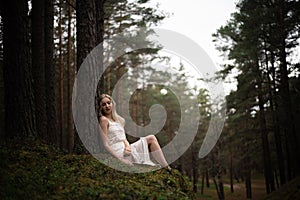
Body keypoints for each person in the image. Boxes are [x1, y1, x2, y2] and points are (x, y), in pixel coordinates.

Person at [99, 94, 171, 170]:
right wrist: (121, 160)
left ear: (112, 104)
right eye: (104, 104)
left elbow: (123, 139)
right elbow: (105, 144)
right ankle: (166, 167)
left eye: (108, 103)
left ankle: (166, 167)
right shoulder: (103, 120)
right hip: (118, 153)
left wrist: (127, 147)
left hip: (127, 150)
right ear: (101, 108)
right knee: (151, 138)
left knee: (152, 138)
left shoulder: (118, 121)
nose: (107, 106)